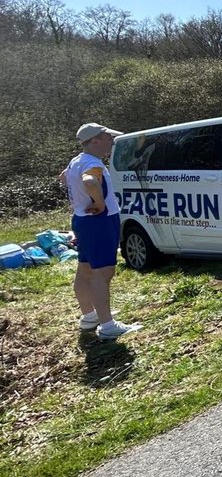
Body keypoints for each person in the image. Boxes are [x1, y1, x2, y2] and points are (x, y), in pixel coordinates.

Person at [64, 123, 142, 339]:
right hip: (99, 222)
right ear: (95, 141)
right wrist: (99, 202)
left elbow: (64, 177)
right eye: (108, 138)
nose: (112, 142)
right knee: (103, 273)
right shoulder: (92, 164)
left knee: (85, 269)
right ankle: (108, 326)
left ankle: (90, 316)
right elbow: (89, 181)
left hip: (82, 220)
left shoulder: (76, 161)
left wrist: (80, 199)